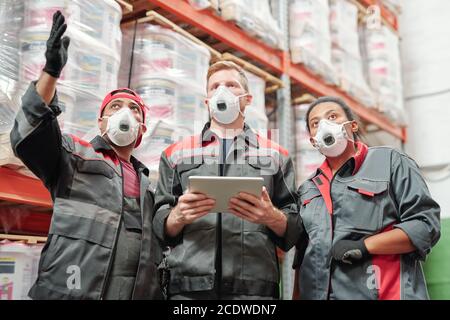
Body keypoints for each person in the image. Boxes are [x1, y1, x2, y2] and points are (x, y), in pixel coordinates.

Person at [10, 11, 162, 300]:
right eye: (114, 107)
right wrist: (51, 73)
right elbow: (29, 134)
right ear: (101, 122)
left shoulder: (151, 188)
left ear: (141, 128)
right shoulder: (75, 157)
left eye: (134, 109)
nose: (124, 113)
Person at [153, 61, 303, 300]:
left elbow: (294, 227)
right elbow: (159, 221)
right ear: (207, 101)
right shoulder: (176, 154)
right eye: (214, 87)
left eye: (231, 85)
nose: (221, 91)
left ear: (247, 98)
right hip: (189, 290)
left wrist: (270, 216)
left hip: (254, 292)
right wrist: (177, 216)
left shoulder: (275, 155)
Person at [293, 96, 441, 300]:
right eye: (315, 123)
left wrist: (365, 246)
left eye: (333, 116)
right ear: (312, 139)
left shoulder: (390, 162)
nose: (324, 125)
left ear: (352, 125)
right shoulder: (307, 189)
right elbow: (303, 257)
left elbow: (425, 226)